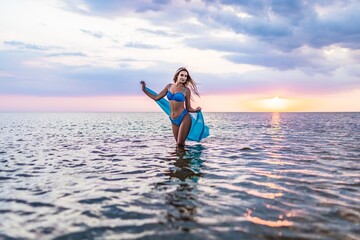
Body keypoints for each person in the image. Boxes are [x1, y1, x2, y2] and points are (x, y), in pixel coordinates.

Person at [140, 67, 201, 147]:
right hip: (173, 119)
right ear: (177, 76)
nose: (183, 77)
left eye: (185, 76)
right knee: (178, 145)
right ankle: (180, 159)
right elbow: (156, 97)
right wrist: (144, 89)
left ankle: (187, 159)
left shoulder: (186, 90)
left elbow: (188, 108)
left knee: (180, 143)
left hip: (184, 117)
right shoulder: (169, 86)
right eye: (182, 75)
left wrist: (196, 110)